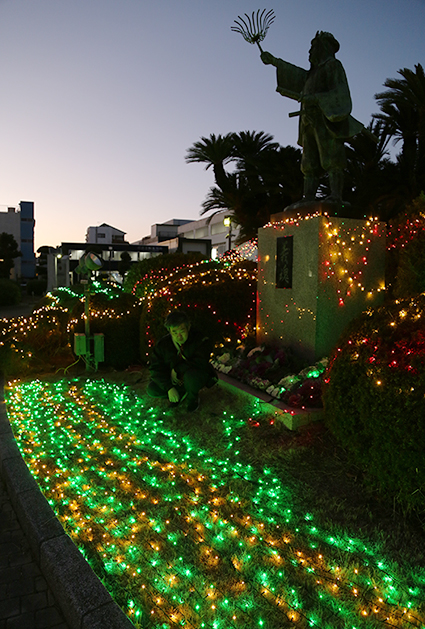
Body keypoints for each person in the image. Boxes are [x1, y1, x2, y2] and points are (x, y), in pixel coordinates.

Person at [261, 31, 365, 204]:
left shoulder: (333, 65)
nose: (309, 51)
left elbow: (339, 92)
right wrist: (275, 62)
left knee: (331, 158)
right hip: (307, 120)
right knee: (309, 161)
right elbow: (298, 75)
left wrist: (317, 98)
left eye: (313, 47)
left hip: (324, 118)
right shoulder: (313, 73)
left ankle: (336, 196)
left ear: (323, 48)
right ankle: (308, 196)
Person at [147, 309, 218, 412]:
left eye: (182, 331)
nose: (178, 336)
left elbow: (200, 361)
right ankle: (179, 393)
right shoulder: (163, 345)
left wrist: (177, 369)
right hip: (175, 381)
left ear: (188, 327)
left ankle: (192, 398)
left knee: (191, 377)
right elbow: (155, 368)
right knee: (152, 389)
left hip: (194, 375)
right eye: (174, 332)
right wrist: (169, 387)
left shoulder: (199, 339)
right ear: (169, 331)